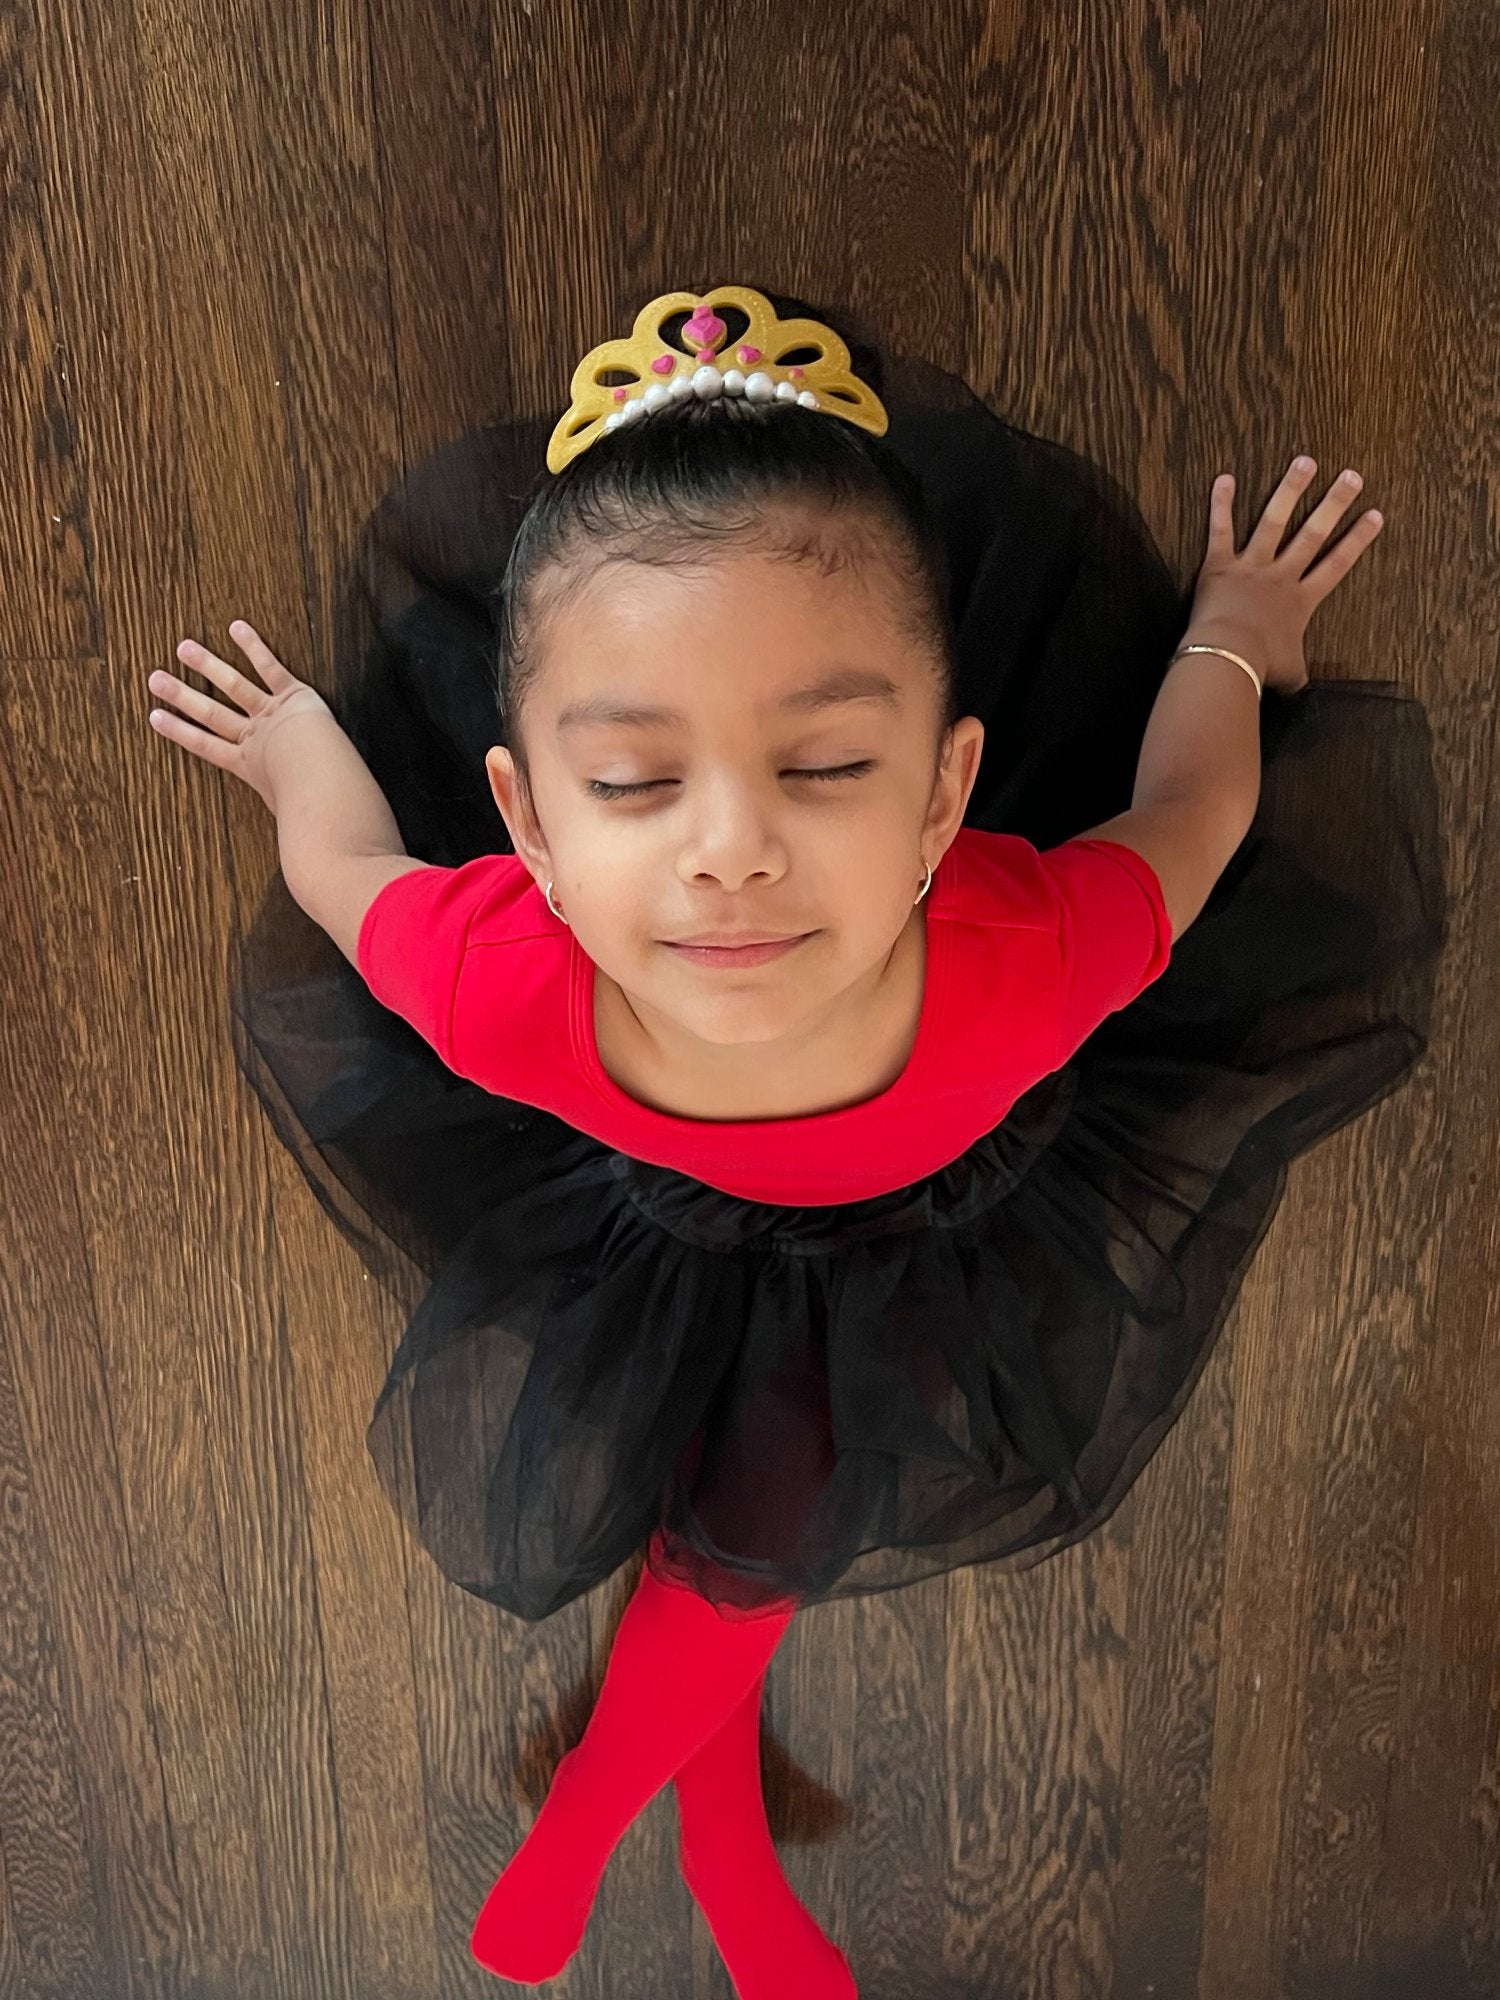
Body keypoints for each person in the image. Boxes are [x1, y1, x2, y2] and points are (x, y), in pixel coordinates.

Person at [145, 284, 1447, 1996]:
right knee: (747, 1527)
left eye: (829, 762)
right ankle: (683, 1819)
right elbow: (349, 881)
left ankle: (651, 1814)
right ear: (524, 821)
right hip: (645, 1235)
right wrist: (297, 740)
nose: (733, 850)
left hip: (925, 1247)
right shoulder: (505, 984)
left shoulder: (1027, 961)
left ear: (943, 793)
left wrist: (1230, 635)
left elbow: (1193, 814)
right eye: (630, 785)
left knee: (753, 1527)